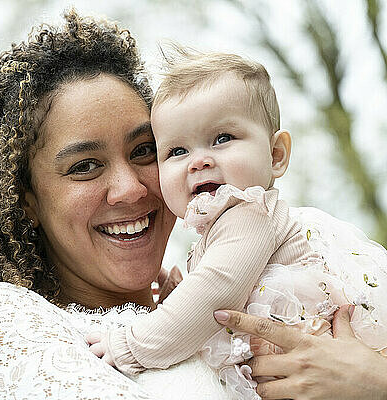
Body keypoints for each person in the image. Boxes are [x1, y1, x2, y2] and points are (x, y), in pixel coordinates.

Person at [0, 10, 387, 400]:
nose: (130, 189)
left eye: (144, 151)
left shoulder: (287, 245)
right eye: (85, 166)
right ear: (25, 200)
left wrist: (374, 379)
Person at [86, 47, 387, 399]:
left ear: (276, 155)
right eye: (176, 151)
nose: (198, 161)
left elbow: (215, 291)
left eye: (222, 138)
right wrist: (180, 290)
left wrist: (131, 345)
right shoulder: (225, 230)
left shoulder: (248, 212)